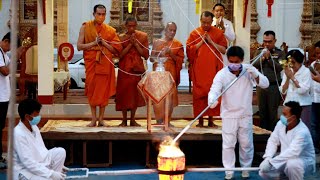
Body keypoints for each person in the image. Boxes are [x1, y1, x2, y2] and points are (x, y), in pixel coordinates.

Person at [208, 46, 269, 179]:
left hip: (245, 114)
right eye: (231, 61)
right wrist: (212, 99)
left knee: (246, 144)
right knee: (228, 145)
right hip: (229, 115)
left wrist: (255, 74)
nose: (234, 64)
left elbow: (265, 84)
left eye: (237, 62)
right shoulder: (222, 74)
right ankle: (229, 173)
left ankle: (245, 170)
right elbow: (214, 89)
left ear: (242, 60)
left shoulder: (248, 71)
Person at [77, 4, 122, 127]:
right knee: (92, 90)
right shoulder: (85, 27)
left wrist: (104, 43)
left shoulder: (110, 30)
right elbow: (79, 46)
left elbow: (116, 50)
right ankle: (93, 119)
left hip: (105, 63)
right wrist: (94, 43)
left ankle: (101, 119)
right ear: (94, 14)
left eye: (103, 14)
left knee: (103, 91)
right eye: (99, 14)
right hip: (92, 62)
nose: (101, 17)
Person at [186, 11, 227, 127]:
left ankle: (210, 120)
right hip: (199, 70)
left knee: (212, 92)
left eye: (208, 23)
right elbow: (189, 51)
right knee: (199, 95)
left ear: (211, 21)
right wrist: (201, 42)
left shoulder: (218, 33)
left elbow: (223, 50)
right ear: (200, 20)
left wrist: (210, 41)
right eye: (204, 23)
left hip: (213, 70)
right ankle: (200, 121)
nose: (206, 25)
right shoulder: (194, 33)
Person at [259, 101, 315, 180]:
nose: (282, 116)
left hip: (303, 162)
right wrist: (268, 157)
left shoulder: (302, 132)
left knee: (292, 165)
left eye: (285, 114)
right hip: (284, 159)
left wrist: (271, 162)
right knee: (263, 171)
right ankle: (282, 177)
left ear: (293, 117)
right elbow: (273, 141)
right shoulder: (280, 124)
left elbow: (293, 152)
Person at [13, 99, 68, 180]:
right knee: (49, 178)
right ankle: (52, 176)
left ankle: (54, 175)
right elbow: (28, 162)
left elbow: (42, 150)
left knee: (60, 152)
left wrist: (56, 164)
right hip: (25, 171)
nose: (39, 117)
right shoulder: (18, 133)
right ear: (27, 116)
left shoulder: (34, 127)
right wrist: (50, 173)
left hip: (39, 163)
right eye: (36, 115)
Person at [116, 16, 148, 127]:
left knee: (135, 94)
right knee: (124, 94)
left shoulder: (143, 36)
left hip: (136, 69)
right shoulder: (120, 38)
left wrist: (135, 44)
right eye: (129, 26)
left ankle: (132, 119)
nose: (132, 28)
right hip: (124, 69)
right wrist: (130, 44)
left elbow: (145, 55)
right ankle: (124, 120)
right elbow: (120, 55)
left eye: (134, 26)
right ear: (125, 26)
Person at [150, 22, 184, 125]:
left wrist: (171, 54)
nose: (172, 32)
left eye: (174, 31)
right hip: (159, 72)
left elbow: (180, 61)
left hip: (171, 72)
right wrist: (156, 53)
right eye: (170, 30)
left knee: (169, 96)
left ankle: (167, 120)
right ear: (165, 30)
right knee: (158, 96)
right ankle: (159, 119)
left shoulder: (178, 44)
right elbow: (151, 59)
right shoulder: (157, 42)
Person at [0, 32, 25, 169]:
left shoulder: (4, 54)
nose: (10, 49)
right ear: (6, 41)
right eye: (11, 46)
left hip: (3, 96)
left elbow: (11, 67)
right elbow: (5, 71)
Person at [253, 31, 284, 131]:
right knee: (262, 113)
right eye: (265, 41)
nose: (266, 44)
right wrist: (262, 58)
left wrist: (269, 59)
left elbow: (279, 68)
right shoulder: (259, 51)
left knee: (272, 114)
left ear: (275, 41)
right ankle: (263, 136)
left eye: (269, 42)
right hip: (261, 87)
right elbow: (253, 65)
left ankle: (273, 136)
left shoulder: (280, 53)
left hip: (274, 86)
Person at [279, 50, 312, 130]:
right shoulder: (288, 71)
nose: (291, 65)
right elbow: (283, 90)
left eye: (293, 62)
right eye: (289, 62)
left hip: (303, 105)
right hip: (289, 104)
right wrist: (287, 77)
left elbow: (303, 90)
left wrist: (292, 78)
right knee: (288, 128)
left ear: (300, 61)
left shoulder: (306, 71)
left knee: (302, 129)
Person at [310, 41, 320, 154]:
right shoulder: (313, 66)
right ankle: (315, 146)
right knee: (314, 124)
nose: (318, 56)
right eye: (317, 53)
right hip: (314, 98)